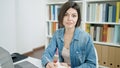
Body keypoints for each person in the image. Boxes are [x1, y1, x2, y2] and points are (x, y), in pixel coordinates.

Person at [41, 1, 97, 68]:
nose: (69, 19)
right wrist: (47, 63)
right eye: (66, 15)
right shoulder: (57, 34)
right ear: (61, 16)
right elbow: (47, 53)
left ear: (77, 18)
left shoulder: (85, 37)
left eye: (74, 16)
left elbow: (92, 64)